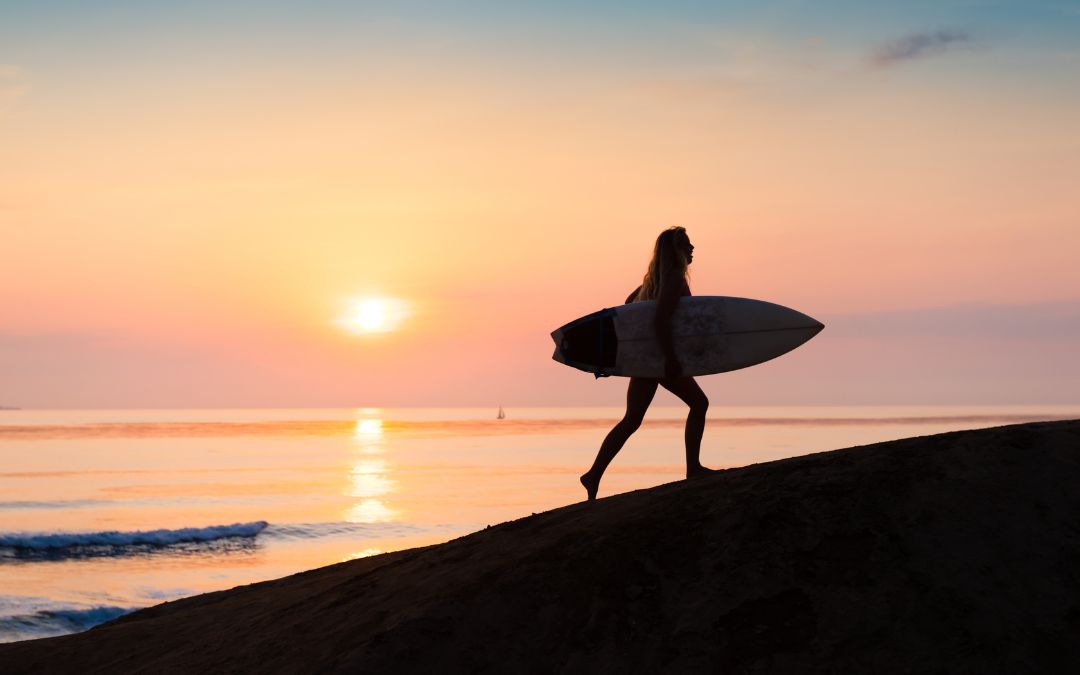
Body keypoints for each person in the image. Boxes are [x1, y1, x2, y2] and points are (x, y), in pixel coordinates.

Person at [579, 226, 713, 501]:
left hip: (645, 361)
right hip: (660, 360)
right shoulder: (674, 279)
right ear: (675, 251)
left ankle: (593, 475)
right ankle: (693, 468)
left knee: (632, 420)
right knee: (699, 403)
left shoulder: (650, 283)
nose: (692, 248)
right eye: (687, 244)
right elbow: (660, 321)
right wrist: (671, 358)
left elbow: (629, 309)